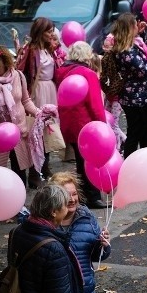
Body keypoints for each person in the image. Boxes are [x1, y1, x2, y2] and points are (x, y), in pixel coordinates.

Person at [54, 42, 106, 207]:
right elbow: (95, 104)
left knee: (79, 159)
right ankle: (92, 197)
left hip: (69, 124)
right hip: (85, 125)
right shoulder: (87, 73)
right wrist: (103, 126)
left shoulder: (62, 71)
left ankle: (82, 195)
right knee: (89, 161)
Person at [0, 46, 39, 187]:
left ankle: (20, 204)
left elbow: (26, 101)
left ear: (6, 62)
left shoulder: (19, 76)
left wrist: (39, 113)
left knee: (20, 172)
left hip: (19, 132)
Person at [17, 17, 63, 183]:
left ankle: (45, 166)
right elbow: (22, 71)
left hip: (51, 89)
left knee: (49, 129)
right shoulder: (31, 50)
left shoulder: (49, 49)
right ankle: (35, 171)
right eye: (48, 31)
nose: (52, 34)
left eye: (52, 30)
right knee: (35, 130)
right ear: (39, 32)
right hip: (37, 91)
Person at [107, 14, 147, 157]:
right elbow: (144, 70)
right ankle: (139, 160)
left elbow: (141, 50)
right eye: (135, 25)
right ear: (129, 29)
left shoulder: (127, 46)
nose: (137, 27)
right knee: (140, 132)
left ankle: (143, 159)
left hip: (139, 96)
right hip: (137, 99)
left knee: (142, 131)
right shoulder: (126, 51)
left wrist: (140, 33)